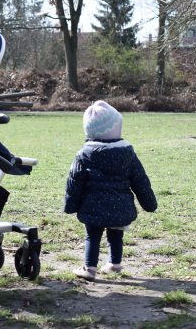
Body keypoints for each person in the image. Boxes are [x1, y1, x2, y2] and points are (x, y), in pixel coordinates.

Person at [64, 100, 157, 280]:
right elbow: (140, 180)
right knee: (116, 234)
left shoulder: (84, 154)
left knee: (92, 236)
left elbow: (74, 181)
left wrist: (70, 205)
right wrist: (149, 203)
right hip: (121, 205)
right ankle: (115, 264)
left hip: (92, 207)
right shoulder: (128, 154)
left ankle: (90, 268)